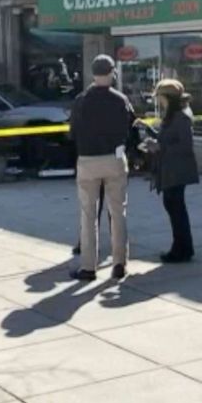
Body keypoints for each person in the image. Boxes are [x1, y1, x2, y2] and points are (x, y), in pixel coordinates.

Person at [68, 54, 136, 281]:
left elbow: (73, 132)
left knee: (88, 214)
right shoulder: (121, 100)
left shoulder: (81, 100)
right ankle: (120, 264)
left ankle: (88, 266)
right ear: (112, 72)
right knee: (118, 212)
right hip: (114, 159)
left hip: (87, 160)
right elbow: (132, 130)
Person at [145, 80, 199, 263]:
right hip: (170, 169)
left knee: (176, 209)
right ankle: (182, 247)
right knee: (174, 208)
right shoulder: (171, 116)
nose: (158, 101)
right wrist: (149, 132)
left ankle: (181, 249)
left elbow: (185, 146)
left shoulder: (181, 117)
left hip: (177, 170)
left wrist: (159, 147)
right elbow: (167, 138)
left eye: (159, 97)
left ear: (167, 97)